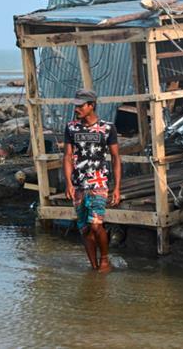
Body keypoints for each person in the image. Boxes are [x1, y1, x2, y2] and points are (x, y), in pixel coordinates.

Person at [63, 89, 121, 272]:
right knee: (84, 228)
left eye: (80, 106)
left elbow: (116, 158)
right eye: (76, 106)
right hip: (79, 183)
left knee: (96, 225)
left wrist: (117, 187)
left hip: (99, 182)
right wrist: (68, 183)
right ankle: (93, 266)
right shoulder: (71, 127)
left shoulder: (107, 128)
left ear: (91, 106)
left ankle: (104, 259)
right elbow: (67, 156)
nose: (77, 109)